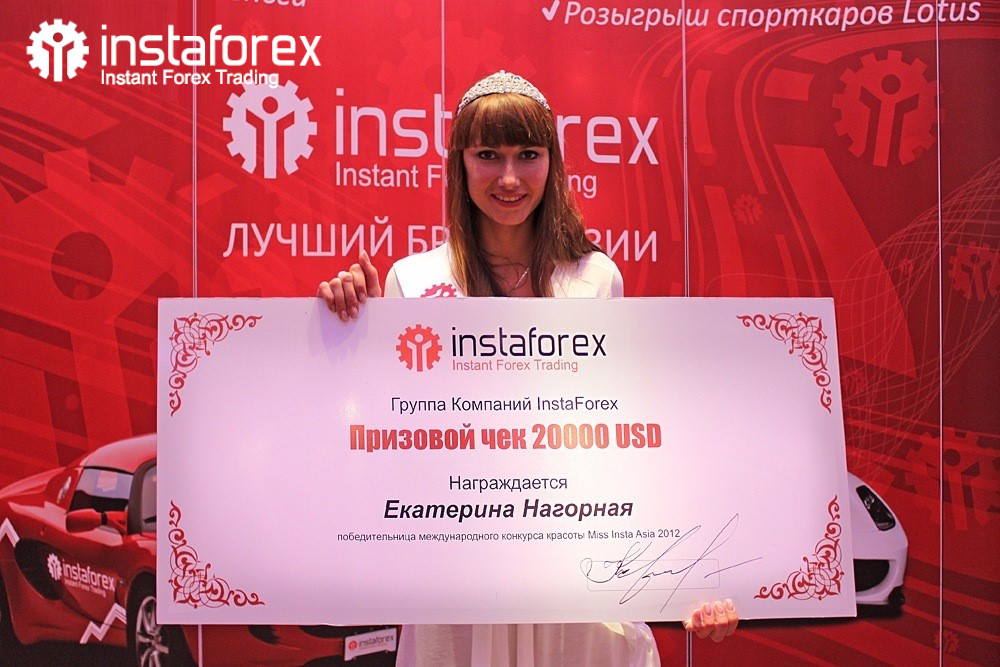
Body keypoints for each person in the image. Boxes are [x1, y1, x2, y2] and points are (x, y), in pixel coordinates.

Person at [318, 71, 737, 666]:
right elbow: (386, 440)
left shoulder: (596, 278)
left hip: (577, 580)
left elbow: (633, 438)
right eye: (488, 154)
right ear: (460, 164)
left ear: (552, 163)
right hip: (458, 584)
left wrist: (694, 576)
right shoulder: (413, 281)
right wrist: (350, 324)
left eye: (528, 155)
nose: (509, 177)